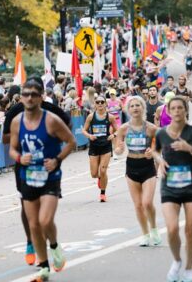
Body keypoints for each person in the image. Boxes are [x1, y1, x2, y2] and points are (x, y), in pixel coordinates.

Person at [8, 79, 77, 282]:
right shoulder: (16, 121)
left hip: (49, 176)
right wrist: (20, 158)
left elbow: (71, 141)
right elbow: (12, 148)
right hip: (28, 176)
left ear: (40, 97)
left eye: (33, 94)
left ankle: (54, 246)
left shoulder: (51, 120)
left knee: (45, 220)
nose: (29, 98)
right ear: (21, 97)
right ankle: (44, 266)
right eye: (26, 94)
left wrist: (57, 160)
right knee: (34, 225)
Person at [152, 97, 192, 282]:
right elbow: (154, 150)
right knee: (172, 229)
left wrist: (189, 149)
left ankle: (189, 268)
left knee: (190, 231)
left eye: (180, 108)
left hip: (191, 187)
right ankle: (176, 261)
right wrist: (160, 160)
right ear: (168, 112)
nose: (177, 111)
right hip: (169, 187)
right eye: (173, 108)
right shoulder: (162, 134)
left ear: (186, 110)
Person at [114, 96, 162, 247]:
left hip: (147, 166)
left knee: (147, 202)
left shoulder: (151, 128)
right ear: (128, 110)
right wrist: (119, 149)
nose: (135, 108)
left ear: (143, 108)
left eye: (138, 105)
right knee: (138, 205)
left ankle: (154, 229)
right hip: (132, 166)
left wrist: (152, 151)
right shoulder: (123, 129)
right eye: (132, 106)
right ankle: (145, 235)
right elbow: (118, 149)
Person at [82, 95, 117, 202]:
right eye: (98, 102)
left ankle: (103, 193)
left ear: (106, 104)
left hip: (106, 145)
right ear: (95, 105)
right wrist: (89, 136)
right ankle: (100, 178)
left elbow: (118, 130)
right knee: (94, 174)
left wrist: (113, 135)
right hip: (94, 146)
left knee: (103, 170)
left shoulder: (110, 117)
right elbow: (84, 130)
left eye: (102, 102)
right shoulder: (91, 117)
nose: (100, 104)